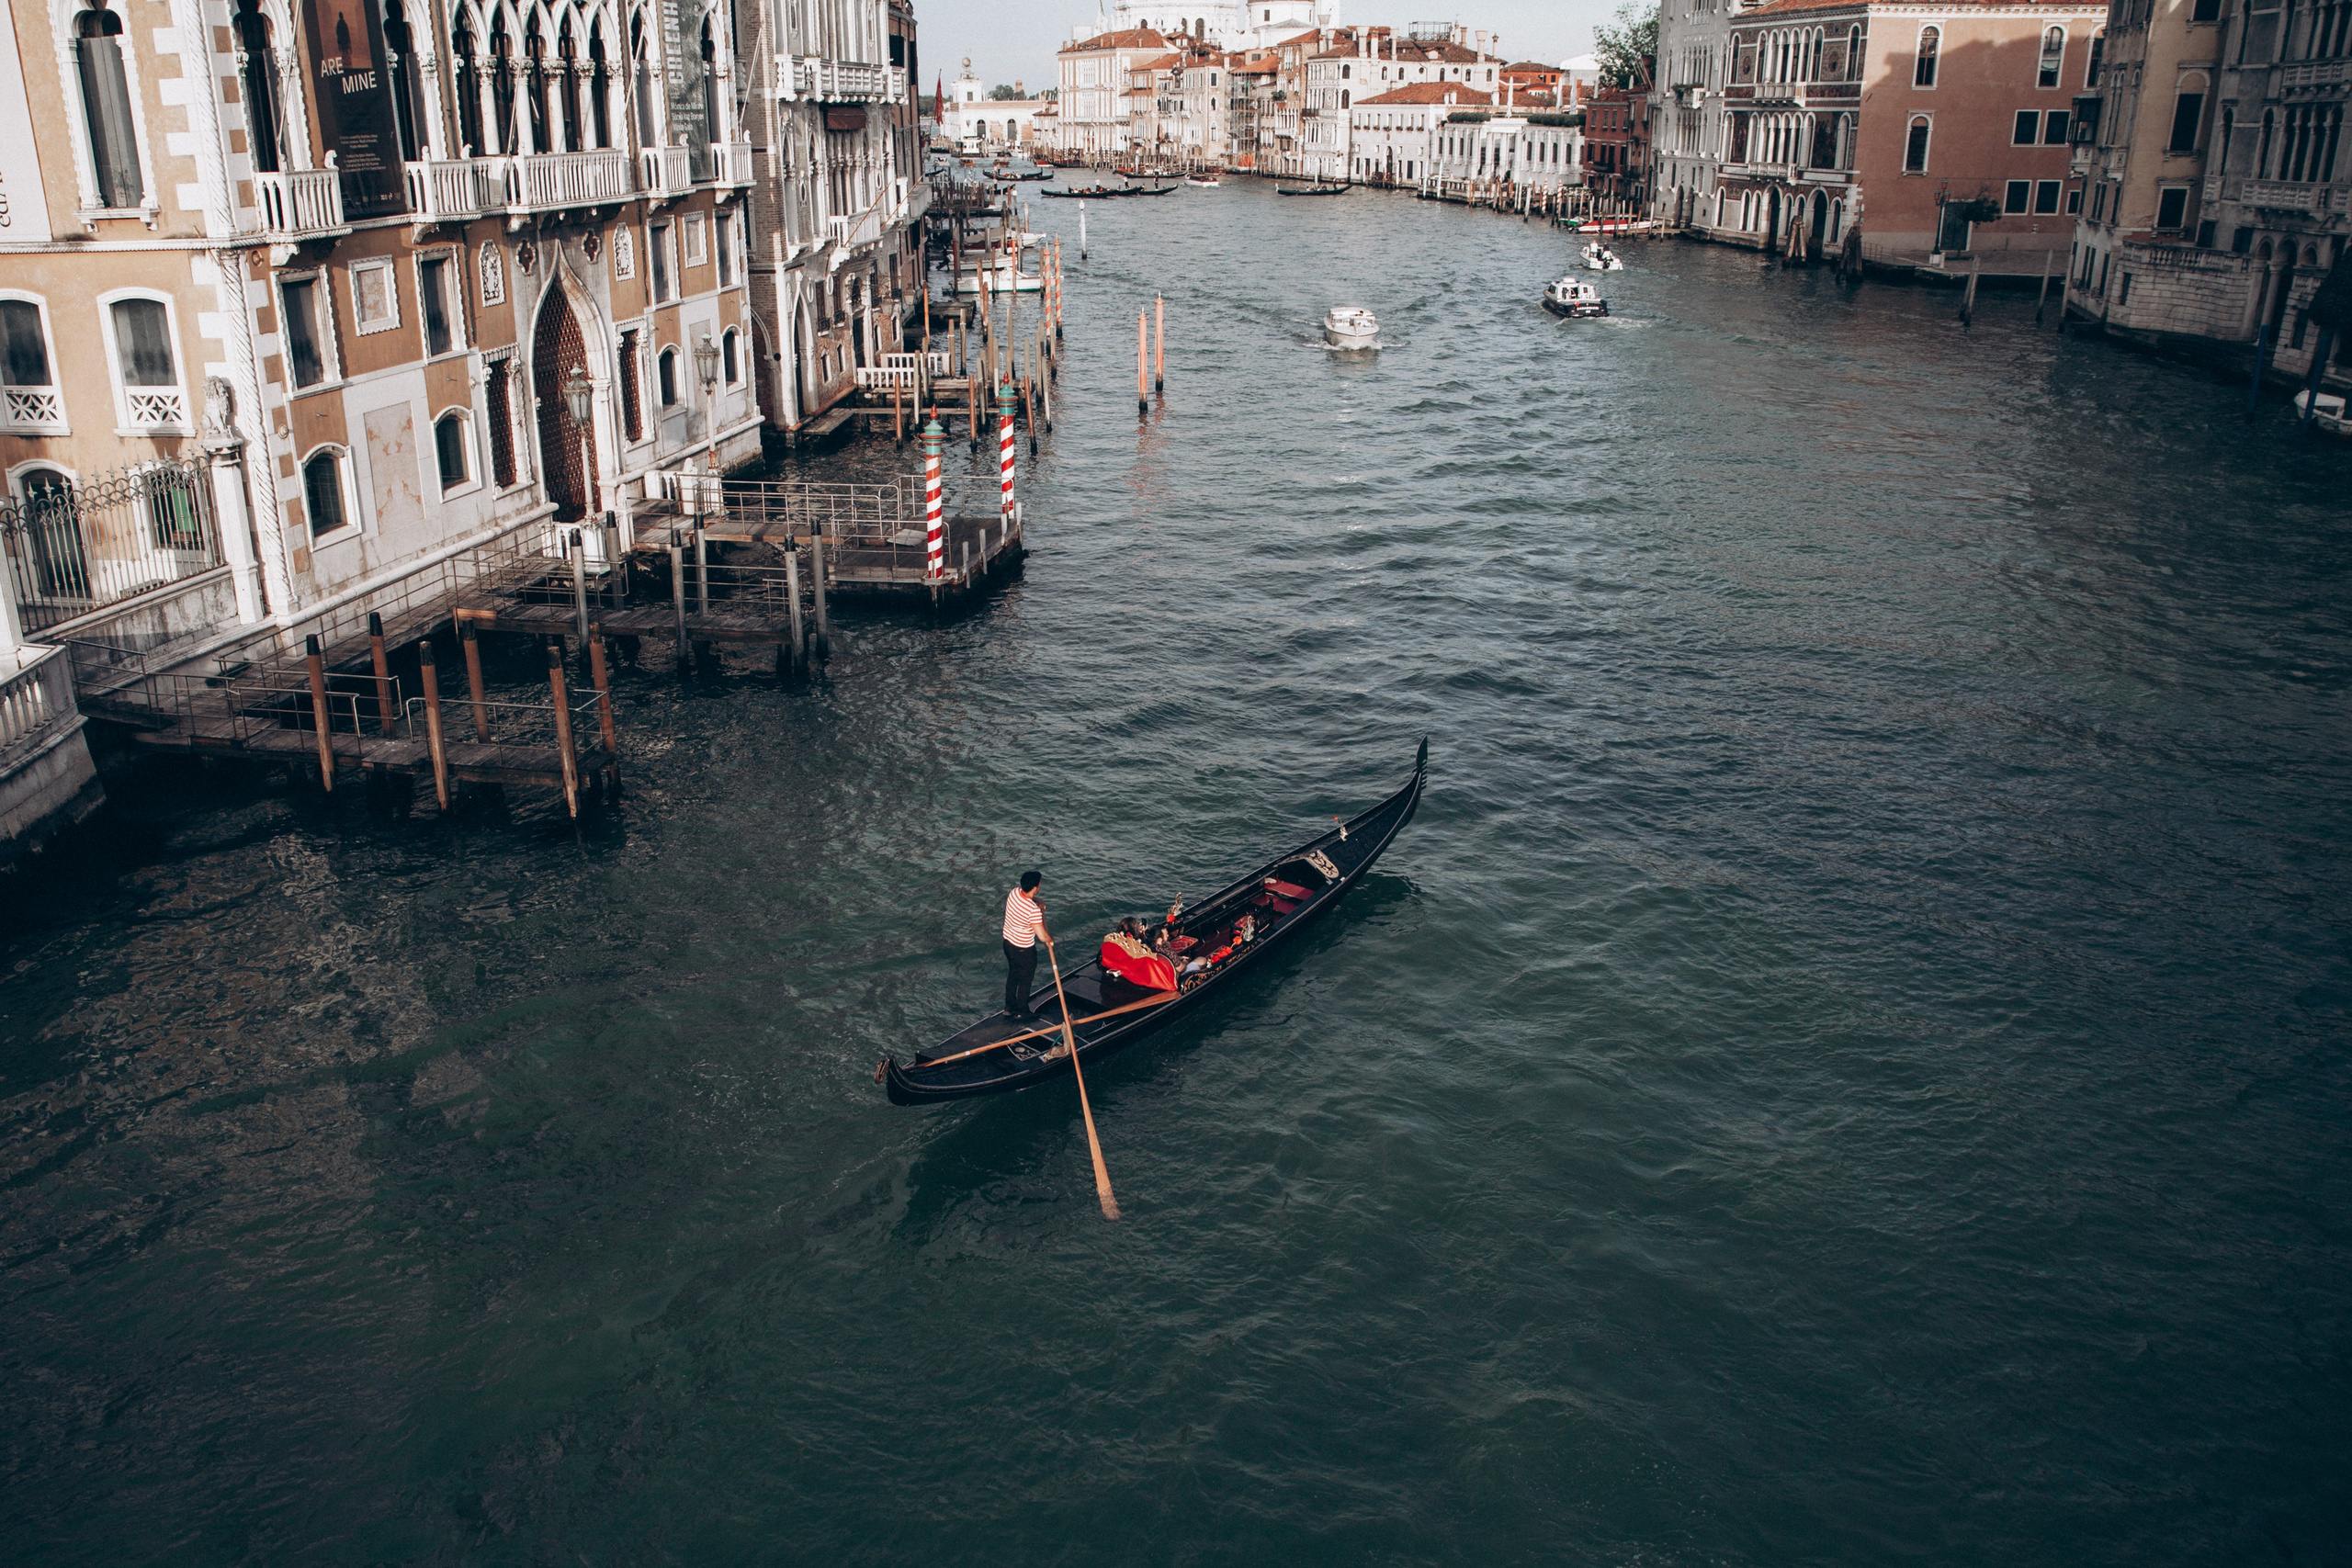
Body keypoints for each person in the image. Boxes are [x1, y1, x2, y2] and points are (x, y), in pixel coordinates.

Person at [1001, 871, 1048, 1020]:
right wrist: (1050, 939)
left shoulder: (1014, 893)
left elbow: (1027, 900)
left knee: (1013, 974)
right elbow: (1042, 936)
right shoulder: (1033, 910)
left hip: (1008, 944)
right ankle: (1022, 1011)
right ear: (1035, 887)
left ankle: (1009, 1007)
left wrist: (1038, 901)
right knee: (1025, 979)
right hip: (1024, 949)